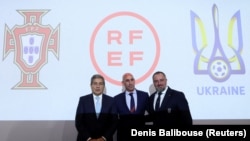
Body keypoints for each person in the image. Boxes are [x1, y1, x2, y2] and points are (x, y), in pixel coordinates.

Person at [75, 74, 118, 141]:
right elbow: (79, 122)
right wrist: (89, 139)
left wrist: (104, 138)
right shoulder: (83, 100)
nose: (98, 86)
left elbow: (114, 122)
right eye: (95, 83)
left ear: (103, 86)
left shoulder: (111, 101)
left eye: (100, 84)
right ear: (91, 85)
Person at [114, 73, 149, 141]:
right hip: (124, 136)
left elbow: (151, 112)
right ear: (123, 83)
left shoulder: (144, 95)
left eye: (132, 80)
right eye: (127, 80)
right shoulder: (117, 98)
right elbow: (114, 119)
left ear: (134, 81)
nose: (130, 83)